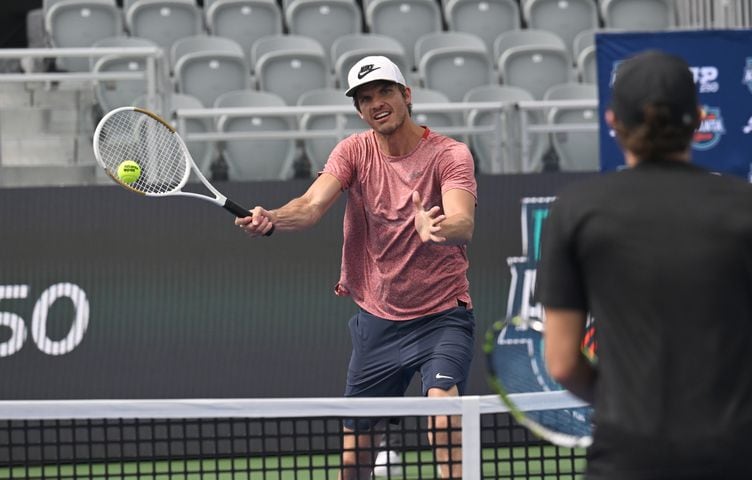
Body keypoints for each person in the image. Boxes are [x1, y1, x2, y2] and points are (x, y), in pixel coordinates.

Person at [236, 55, 477, 479]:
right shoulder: (354, 151)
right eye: (365, 98)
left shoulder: (450, 154)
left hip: (442, 316)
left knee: (443, 409)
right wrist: (273, 217)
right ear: (359, 110)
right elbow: (310, 206)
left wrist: (437, 226)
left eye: (385, 91)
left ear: (407, 95)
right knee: (354, 460)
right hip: (378, 322)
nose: (376, 103)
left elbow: (464, 222)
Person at [536, 49, 752, 478]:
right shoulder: (744, 206)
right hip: (734, 451)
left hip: (626, 451)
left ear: (613, 120)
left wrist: (616, 398)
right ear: (700, 118)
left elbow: (561, 362)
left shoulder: (576, 209)